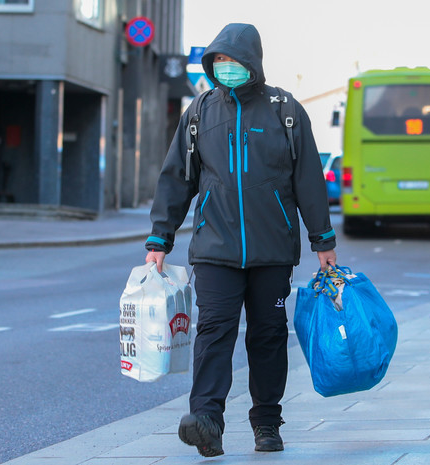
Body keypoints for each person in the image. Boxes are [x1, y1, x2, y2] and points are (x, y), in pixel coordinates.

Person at [144, 23, 337, 457]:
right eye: (219, 62)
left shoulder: (284, 110)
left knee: (268, 335)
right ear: (212, 66)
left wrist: (322, 239)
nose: (226, 68)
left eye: (233, 61)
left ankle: (267, 422)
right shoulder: (199, 113)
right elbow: (177, 178)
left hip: (272, 249)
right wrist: (160, 238)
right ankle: (206, 419)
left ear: (253, 62)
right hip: (215, 248)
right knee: (213, 331)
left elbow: (308, 178)